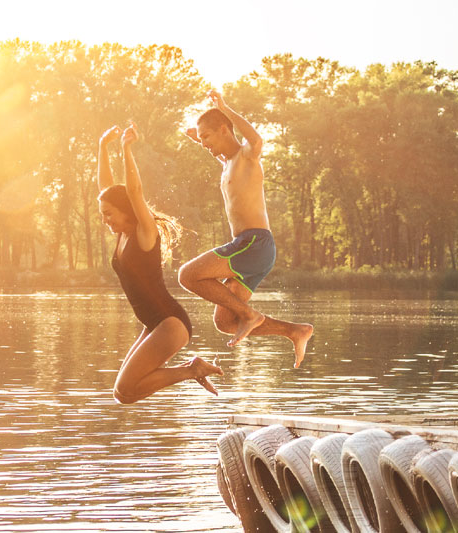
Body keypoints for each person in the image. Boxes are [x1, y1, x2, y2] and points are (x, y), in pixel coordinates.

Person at [178, 90, 313, 368]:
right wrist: (197, 139)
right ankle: (294, 331)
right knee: (225, 322)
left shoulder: (247, 156)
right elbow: (221, 154)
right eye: (201, 138)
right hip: (252, 250)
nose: (203, 143)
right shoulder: (227, 164)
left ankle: (250, 316)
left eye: (207, 136)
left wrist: (226, 108)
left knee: (187, 275)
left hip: (254, 242)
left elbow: (255, 139)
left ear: (224, 129)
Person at [97, 122, 223, 403]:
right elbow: (107, 190)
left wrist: (126, 149)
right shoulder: (123, 234)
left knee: (128, 389)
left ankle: (192, 370)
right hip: (154, 324)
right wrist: (102, 149)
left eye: (109, 214)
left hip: (169, 322)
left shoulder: (144, 232)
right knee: (122, 393)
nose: (105, 220)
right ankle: (191, 370)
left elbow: (134, 191)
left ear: (126, 210)